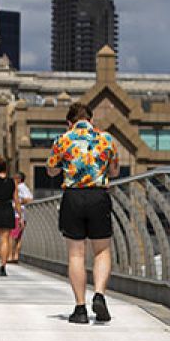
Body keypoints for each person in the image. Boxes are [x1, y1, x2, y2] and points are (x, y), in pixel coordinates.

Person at [47, 101, 119, 324]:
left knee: (76, 254)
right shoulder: (106, 139)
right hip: (98, 196)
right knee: (102, 251)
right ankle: (99, 294)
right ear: (91, 119)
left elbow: (51, 170)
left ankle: (80, 309)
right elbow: (114, 170)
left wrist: (65, 165)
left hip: (73, 197)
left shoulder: (62, 140)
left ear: (69, 122)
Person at [8, 172, 33, 263]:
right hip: (22, 215)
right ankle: (16, 256)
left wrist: (17, 203)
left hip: (17, 215)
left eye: (14, 178)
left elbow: (29, 199)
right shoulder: (23, 187)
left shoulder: (20, 187)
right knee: (18, 237)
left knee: (12, 236)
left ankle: (10, 256)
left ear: (19, 179)